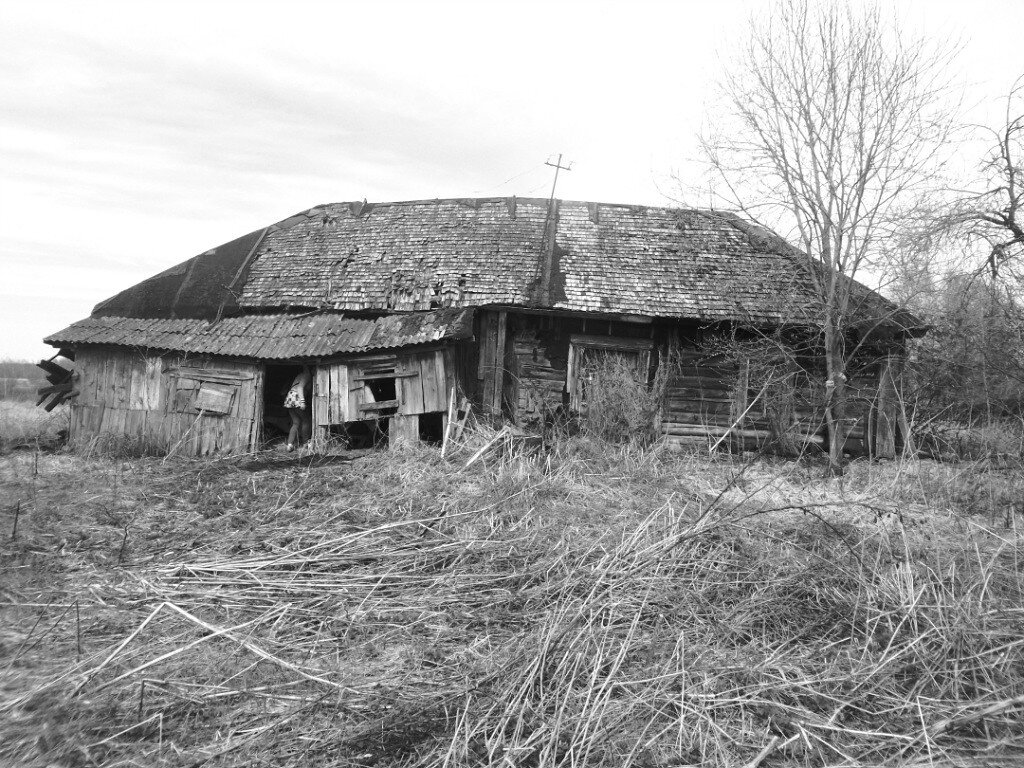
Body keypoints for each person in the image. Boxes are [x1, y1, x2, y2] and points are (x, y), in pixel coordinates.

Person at [284, 367, 313, 452]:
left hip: (290, 397)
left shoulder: (299, 375)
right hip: (297, 397)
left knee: (296, 422)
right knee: (306, 420)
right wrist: (302, 401)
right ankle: (305, 443)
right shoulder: (306, 375)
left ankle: (289, 445)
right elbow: (300, 388)